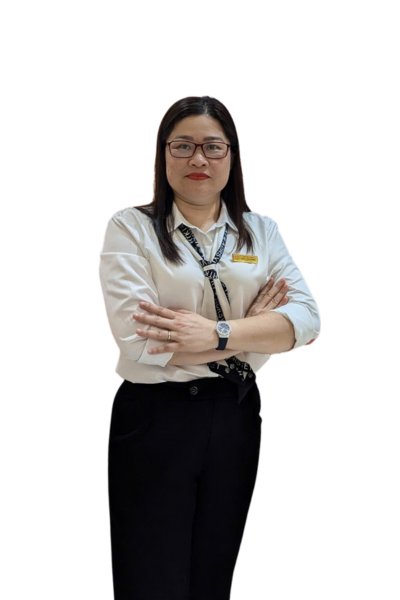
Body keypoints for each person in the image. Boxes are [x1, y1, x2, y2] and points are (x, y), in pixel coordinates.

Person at [99, 95, 320, 600]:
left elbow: (307, 321)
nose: (198, 158)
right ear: (163, 154)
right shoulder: (131, 228)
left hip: (235, 415)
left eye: (212, 146)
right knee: (149, 579)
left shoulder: (260, 231)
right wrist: (257, 328)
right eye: (183, 145)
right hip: (155, 418)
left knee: (212, 579)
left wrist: (217, 334)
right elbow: (139, 340)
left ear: (231, 156)